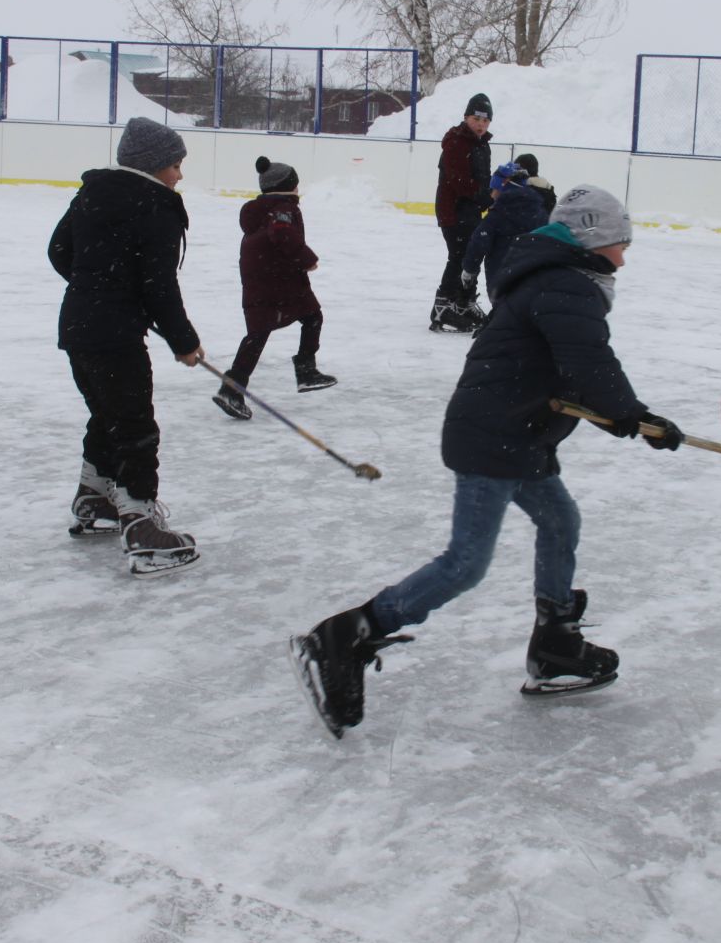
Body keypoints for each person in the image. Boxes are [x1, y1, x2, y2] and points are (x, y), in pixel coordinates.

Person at [291, 184, 686, 737]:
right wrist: (632, 415)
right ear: (595, 241)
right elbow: (588, 361)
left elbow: (573, 367)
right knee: (465, 563)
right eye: (621, 242)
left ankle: (554, 645)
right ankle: (348, 633)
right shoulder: (565, 285)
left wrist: (629, 415)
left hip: (518, 432)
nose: (625, 254)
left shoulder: (556, 279)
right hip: (495, 436)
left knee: (559, 520)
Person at [48, 116, 204, 575]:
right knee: (135, 424)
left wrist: (99, 288)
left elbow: (60, 251)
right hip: (115, 335)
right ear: (155, 164)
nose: (179, 174)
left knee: (108, 413)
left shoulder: (93, 193)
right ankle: (140, 525)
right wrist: (184, 340)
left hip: (77, 328)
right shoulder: (156, 204)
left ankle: (94, 497)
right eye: (176, 164)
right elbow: (159, 284)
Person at [214, 156, 337, 420]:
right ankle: (304, 370)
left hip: (262, 281)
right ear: (287, 186)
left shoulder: (261, 209)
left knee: (263, 332)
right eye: (295, 185)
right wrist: (307, 259)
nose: (297, 190)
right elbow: (281, 232)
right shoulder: (283, 207)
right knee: (309, 318)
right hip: (279, 283)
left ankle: (233, 387)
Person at [430, 92, 494, 333]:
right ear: (466, 117)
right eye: (476, 118)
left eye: (486, 120)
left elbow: (481, 178)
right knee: (459, 257)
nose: (481, 124)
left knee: (468, 257)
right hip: (454, 210)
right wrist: (484, 196)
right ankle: (443, 308)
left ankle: (462, 304)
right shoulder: (457, 141)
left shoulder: (481, 144)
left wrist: (490, 194)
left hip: (470, 210)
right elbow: (458, 180)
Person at [459, 160, 548, 306]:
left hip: (501, 279)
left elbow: (478, 243)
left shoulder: (496, 215)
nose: (492, 195)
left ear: (504, 186)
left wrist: (469, 270)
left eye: (493, 189)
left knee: (504, 315)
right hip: (532, 278)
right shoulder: (540, 212)